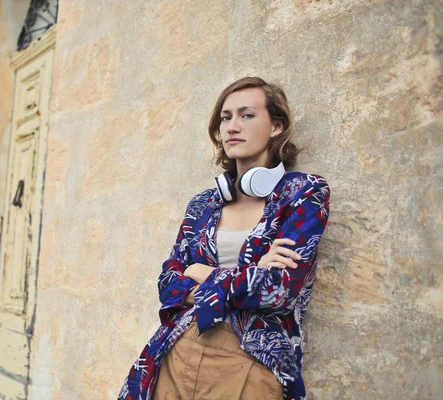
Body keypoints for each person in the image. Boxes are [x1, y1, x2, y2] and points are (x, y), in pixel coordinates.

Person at [118, 77, 331, 400]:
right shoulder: (203, 204)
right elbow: (168, 283)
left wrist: (202, 274)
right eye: (226, 117)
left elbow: (279, 289)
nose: (232, 126)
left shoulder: (303, 193)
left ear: (276, 126)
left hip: (250, 361)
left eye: (247, 115)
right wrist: (251, 273)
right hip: (179, 350)